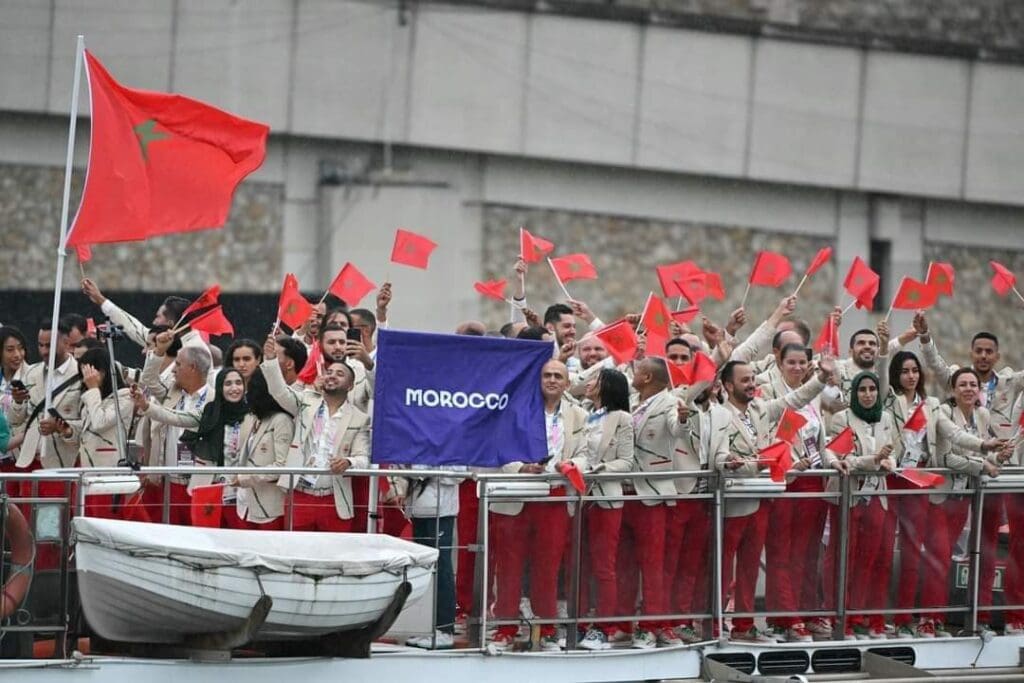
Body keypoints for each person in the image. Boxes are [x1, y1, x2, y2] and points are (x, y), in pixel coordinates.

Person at [716, 355, 832, 643]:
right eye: (745, 380)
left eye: (753, 379)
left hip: (762, 499)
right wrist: (753, 464)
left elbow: (794, 400)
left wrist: (821, 378)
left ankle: (744, 626)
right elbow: (718, 458)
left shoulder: (759, 409)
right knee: (721, 567)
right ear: (728, 386)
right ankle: (714, 623)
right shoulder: (718, 415)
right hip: (733, 502)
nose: (752, 385)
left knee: (750, 567)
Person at [489, 360, 588, 652]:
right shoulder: (517, 409)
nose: (552, 380)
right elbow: (499, 446)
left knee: (548, 567)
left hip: (555, 494)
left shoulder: (578, 415)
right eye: (547, 375)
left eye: (558, 376)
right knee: (509, 566)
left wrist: (572, 465)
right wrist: (520, 468)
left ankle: (545, 630)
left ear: (568, 383)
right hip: (518, 494)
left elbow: (586, 454)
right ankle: (505, 629)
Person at [261, 341, 370, 533]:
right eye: (329, 372)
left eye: (340, 374)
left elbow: (363, 458)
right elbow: (279, 391)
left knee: (332, 558)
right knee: (295, 554)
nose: (332, 376)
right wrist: (270, 360)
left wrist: (348, 462)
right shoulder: (306, 401)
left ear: (351, 385)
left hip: (334, 499)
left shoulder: (360, 418)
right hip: (300, 494)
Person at [760, 343, 829, 643]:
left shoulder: (814, 401)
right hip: (787, 480)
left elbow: (819, 440)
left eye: (803, 362)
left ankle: (805, 612)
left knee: (807, 553)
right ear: (780, 361)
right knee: (782, 552)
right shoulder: (770, 390)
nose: (798, 367)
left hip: (814, 480)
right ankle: (788, 617)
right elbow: (776, 435)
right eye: (792, 362)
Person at [615, 357, 686, 648]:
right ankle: (622, 624)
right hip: (623, 491)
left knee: (653, 565)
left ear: (646, 377)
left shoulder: (670, 402)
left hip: (652, 493)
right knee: (624, 564)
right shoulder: (630, 400)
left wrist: (684, 418)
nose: (632, 372)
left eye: (637, 368)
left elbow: (677, 429)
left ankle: (652, 626)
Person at [823, 371, 896, 640]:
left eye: (872, 389)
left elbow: (893, 452)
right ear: (855, 393)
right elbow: (843, 458)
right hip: (849, 496)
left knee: (869, 559)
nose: (867, 394)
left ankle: (856, 615)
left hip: (877, 495)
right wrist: (874, 460)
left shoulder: (885, 418)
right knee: (842, 558)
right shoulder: (842, 418)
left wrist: (889, 463)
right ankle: (837, 615)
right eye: (862, 389)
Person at [577, 368, 635, 651]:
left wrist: (601, 469)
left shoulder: (622, 418)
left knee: (604, 566)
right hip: (579, 498)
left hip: (605, 497)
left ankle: (603, 626)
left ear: (607, 386)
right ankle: (577, 623)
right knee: (579, 564)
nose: (588, 384)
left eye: (595, 380)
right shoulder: (583, 412)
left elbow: (627, 461)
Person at [131, 335, 213, 525]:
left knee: (194, 534)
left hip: (197, 482)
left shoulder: (213, 399)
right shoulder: (173, 392)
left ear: (192, 368)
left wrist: (147, 407)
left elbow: (176, 419)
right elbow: (149, 379)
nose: (174, 369)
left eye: (178, 364)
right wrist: (159, 351)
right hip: (168, 478)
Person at [180, 368, 248, 528]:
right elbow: (178, 419)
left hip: (237, 490)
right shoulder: (210, 411)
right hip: (209, 486)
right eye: (228, 383)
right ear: (219, 387)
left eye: (239, 383)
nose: (234, 388)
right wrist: (147, 407)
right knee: (205, 537)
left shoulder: (251, 415)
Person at [76, 348, 133, 518]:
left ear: (101, 372)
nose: (85, 380)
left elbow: (100, 423)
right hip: (88, 470)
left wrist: (93, 389)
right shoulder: (93, 397)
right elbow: (88, 427)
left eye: (88, 374)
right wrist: (65, 428)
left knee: (104, 521)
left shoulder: (124, 397)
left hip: (108, 473)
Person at [231, 369, 292, 530]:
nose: (246, 393)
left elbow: (282, 466)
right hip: (245, 504)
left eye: (250, 387)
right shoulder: (254, 419)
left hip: (269, 508)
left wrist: (245, 478)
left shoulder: (282, 421)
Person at [0, 326, 30, 470]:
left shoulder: (33, 377)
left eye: (20, 348)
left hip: (22, 459)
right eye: (10, 350)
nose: (17, 354)